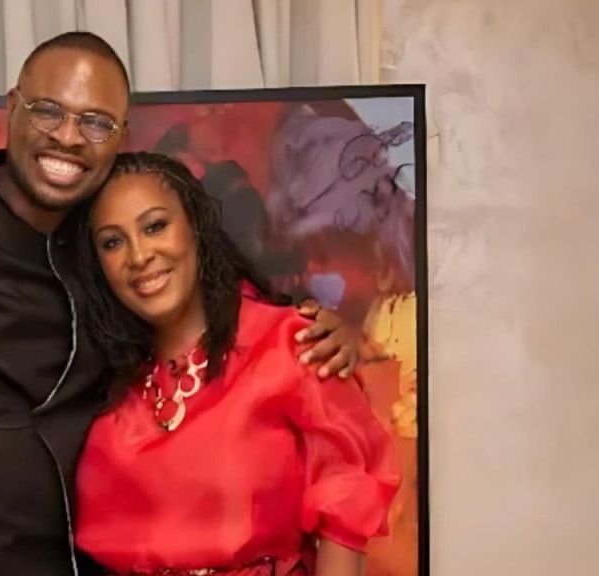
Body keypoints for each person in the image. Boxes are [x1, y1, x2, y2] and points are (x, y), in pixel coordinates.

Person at [0, 32, 361, 576]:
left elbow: (210, 311)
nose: (67, 136)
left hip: (51, 554)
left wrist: (336, 333)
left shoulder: (107, 241)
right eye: (47, 110)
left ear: (119, 135)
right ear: (12, 106)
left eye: (95, 122)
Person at [72, 152, 399, 575]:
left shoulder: (294, 344)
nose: (139, 256)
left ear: (194, 227)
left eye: (155, 226)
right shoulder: (103, 385)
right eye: (112, 242)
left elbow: (344, 515)